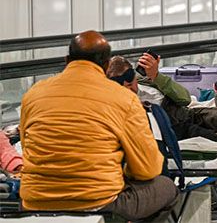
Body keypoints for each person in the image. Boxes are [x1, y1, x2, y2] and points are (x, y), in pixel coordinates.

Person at [19, 30, 177, 220]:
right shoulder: (124, 98)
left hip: (34, 202)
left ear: (67, 59)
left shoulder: (33, 94)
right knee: (167, 187)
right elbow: (147, 168)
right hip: (99, 203)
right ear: (106, 64)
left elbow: (27, 148)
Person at [106, 54, 191, 107]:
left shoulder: (146, 81)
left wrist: (156, 75)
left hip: (190, 114)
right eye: (122, 87)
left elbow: (186, 99)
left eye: (130, 83)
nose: (130, 89)